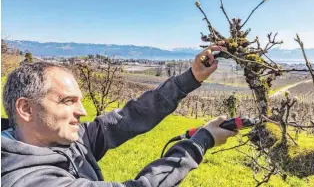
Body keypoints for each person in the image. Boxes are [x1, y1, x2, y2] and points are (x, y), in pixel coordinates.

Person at [1, 44, 238, 187]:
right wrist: (201, 141)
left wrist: (190, 78)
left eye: (80, 100)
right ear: (26, 109)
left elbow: (128, 117)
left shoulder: (60, 139)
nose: (82, 111)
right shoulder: (27, 180)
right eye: (67, 101)